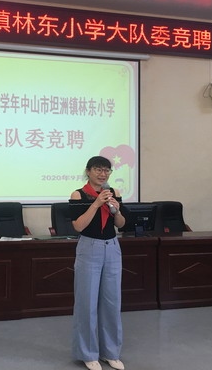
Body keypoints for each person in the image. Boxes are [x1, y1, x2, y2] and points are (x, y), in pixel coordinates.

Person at [70, 156, 126, 370]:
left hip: (112, 247)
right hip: (89, 247)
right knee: (87, 301)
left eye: (106, 170)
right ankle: (88, 353)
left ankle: (110, 352)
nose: (103, 174)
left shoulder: (114, 193)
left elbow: (121, 224)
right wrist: (96, 204)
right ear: (88, 171)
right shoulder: (78, 194)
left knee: (112, 301)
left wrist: (116, 209)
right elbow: (78, 226)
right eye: (98, 169)